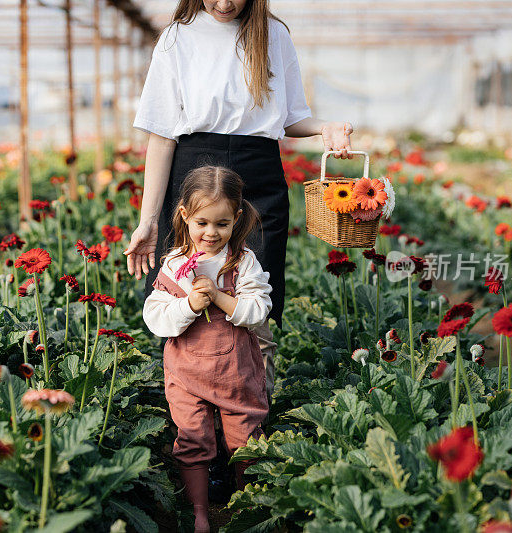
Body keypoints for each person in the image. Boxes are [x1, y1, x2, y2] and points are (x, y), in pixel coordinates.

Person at [125, 0, 354, 504]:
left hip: (259, 174)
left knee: (254, 302)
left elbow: (291, 119)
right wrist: (148, 219)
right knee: (184, 295)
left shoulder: (273, 35)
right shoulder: (179, 37)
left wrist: (326, 130)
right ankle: (191, 442)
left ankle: (244, 448)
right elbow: (162, 134)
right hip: (195, 169)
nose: (223, 3)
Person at [143, 166, 271, 533]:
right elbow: (156, 319)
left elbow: (258, 311)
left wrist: (218, 297)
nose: (211, 233)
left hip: (236, 372)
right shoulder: (174, 265)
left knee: (245, 438)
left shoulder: (242, 262)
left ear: (237, 220)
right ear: (185, 216)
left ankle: (249, 505)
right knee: (193, 437)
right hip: (187, 373)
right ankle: (199, 512)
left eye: (222, 224)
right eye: (202, 222)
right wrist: (188, 306)